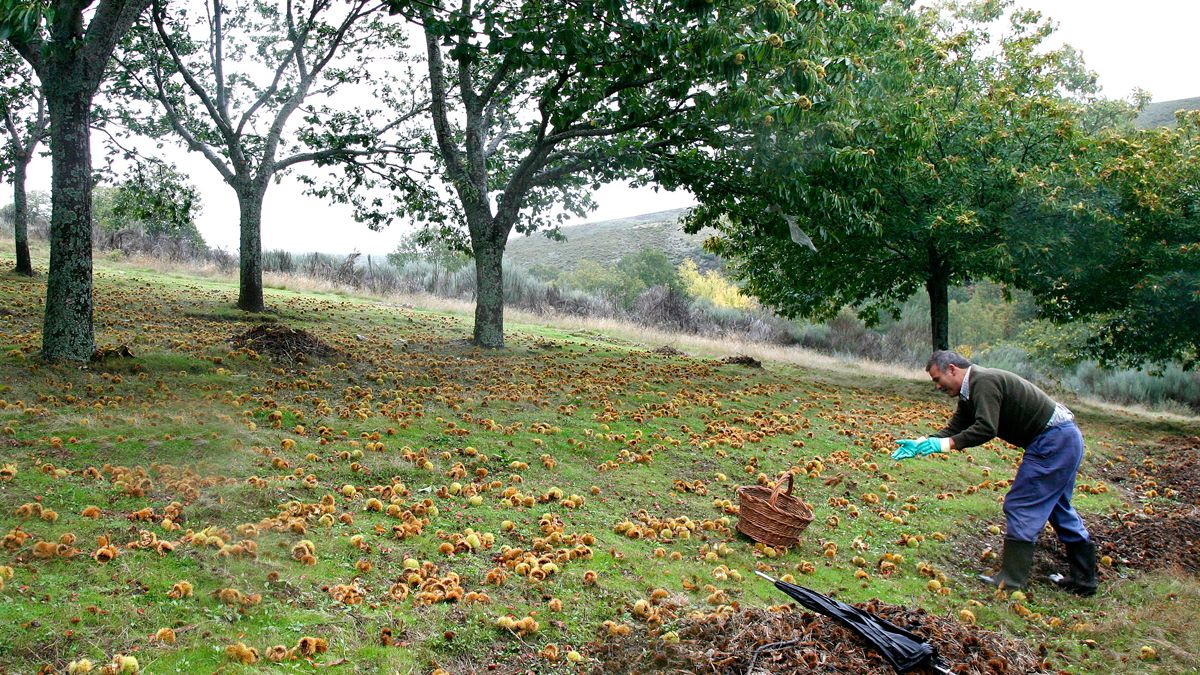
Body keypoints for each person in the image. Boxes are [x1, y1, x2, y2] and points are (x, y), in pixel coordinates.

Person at [892, 350, 1097, 596]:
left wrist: (944, 445)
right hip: (1064, 439)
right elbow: (957, 427)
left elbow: (986, 428)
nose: (937, 386)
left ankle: (1011, 581)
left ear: (953, 370)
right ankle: (1084, 580)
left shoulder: (984, 382)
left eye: (937, 379)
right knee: (1057, 506)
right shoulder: (970, 391)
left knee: (1021, 504)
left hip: (1053, 441)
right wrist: (924, 443)